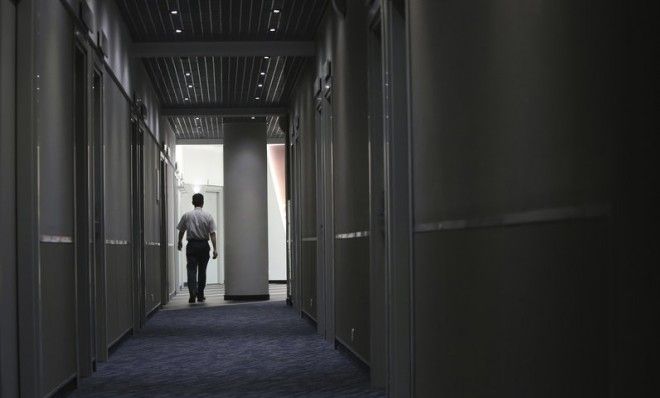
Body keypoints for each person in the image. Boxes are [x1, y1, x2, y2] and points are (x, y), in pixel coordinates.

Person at [177, 193, 218, 303]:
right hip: (204, 245)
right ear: (203, 203)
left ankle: (192, 294)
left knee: (191, 270)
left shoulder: (187, 215)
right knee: (202, 270)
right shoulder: (208, 216)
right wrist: (215, 249)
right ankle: (200, 295)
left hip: (192, 245)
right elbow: (212, 233)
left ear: (192, 203)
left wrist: (179, 242)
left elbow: (181, 230)